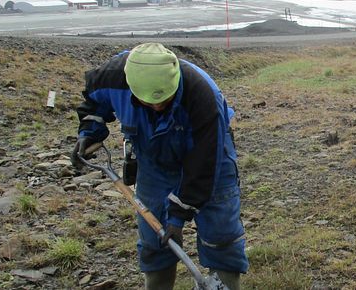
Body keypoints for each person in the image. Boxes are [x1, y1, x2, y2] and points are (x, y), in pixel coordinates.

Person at [71, 43, 248, 290]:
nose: (156, 106)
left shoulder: (201, 93)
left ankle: (224, 283)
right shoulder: (111, 76)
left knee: (221, 234)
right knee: (156, 239)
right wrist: (90, 132)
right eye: (148, 101)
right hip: (152, 162)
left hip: (209, 157)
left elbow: (205, 163)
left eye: (164, 99)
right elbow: (93, 103)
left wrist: (178, 217)